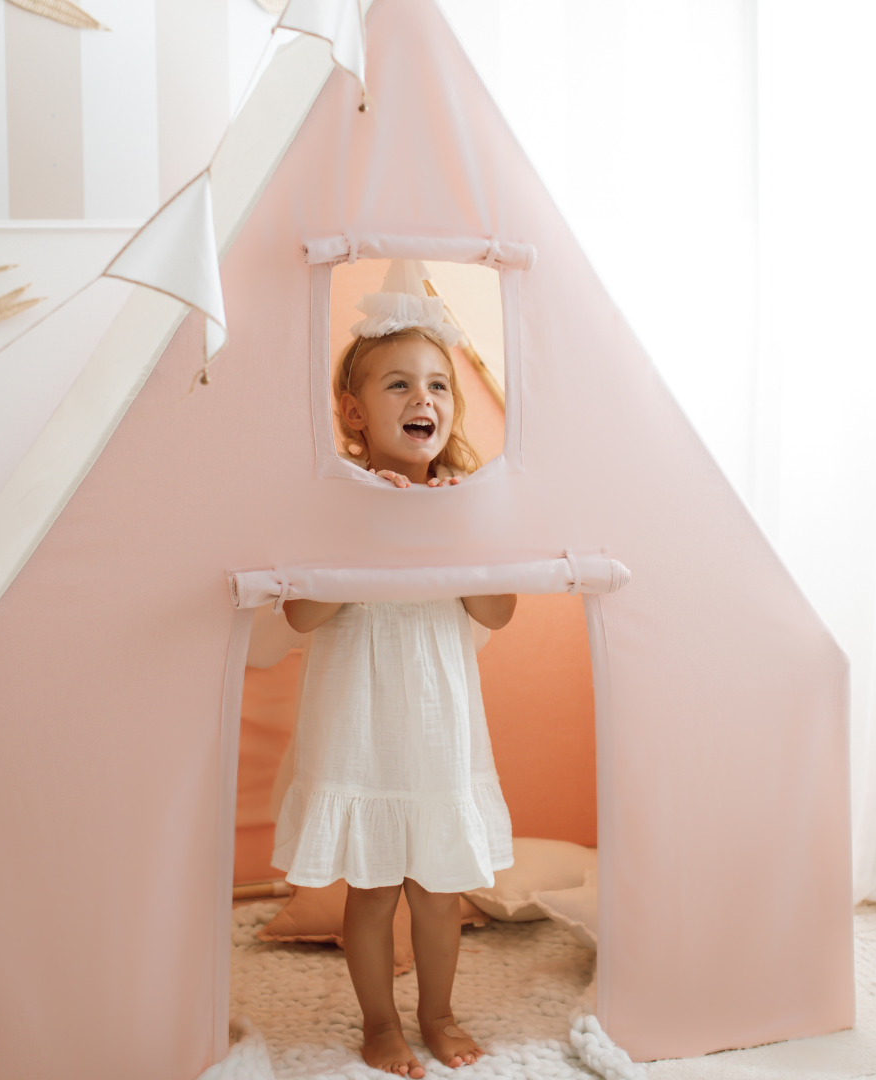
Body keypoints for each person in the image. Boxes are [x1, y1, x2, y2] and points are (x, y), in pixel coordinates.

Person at [272, 262, 516, 1078]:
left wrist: (457, 531)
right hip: (359, 722)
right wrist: (365, 531)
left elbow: (497, 613)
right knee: (373, 888)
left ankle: (439, 1012)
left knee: (438, 886)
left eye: (440, 385)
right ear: (354, 411)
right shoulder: (338, 501)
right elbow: (301, 614)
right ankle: (379, 1024)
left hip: (437, 720)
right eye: (401, 385)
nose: (425, 400)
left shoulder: (464, 501)